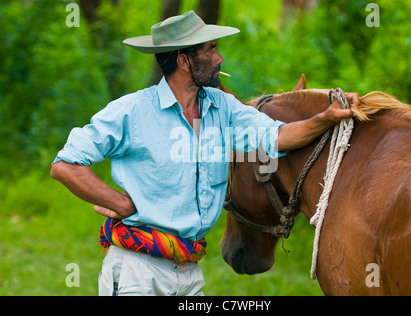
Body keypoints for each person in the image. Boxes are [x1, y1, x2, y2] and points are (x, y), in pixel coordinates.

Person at [51, 10, 357, 296]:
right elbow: (66, 165)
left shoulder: (222, 109)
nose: (219, 58)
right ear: (184, 61)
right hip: (137, 272)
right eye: (210, 50)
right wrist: (119, 202)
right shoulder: (132, 112)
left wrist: (326, 118)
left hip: (189, 272)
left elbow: (278, 137)